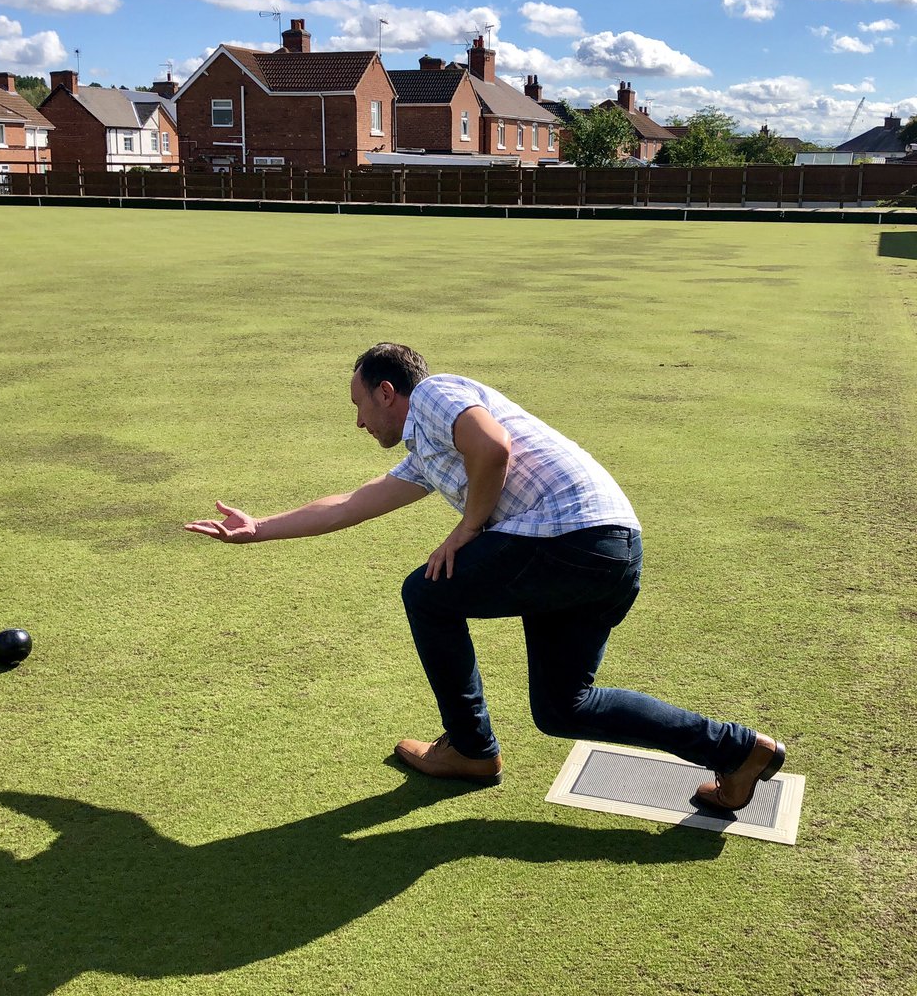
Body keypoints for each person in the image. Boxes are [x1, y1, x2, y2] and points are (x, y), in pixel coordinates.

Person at [185, 343, 784, 811]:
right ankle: (736, 751)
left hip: (569, 539)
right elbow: (351, 503)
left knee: (426, 594)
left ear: (387, 392)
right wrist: (258, 527)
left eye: (358, 405)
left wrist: (466, 529)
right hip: (607, 553)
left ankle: (470, 749)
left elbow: (492, 448)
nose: (359, 423)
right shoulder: (426, 451)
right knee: (563, 709)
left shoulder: (437, 394)